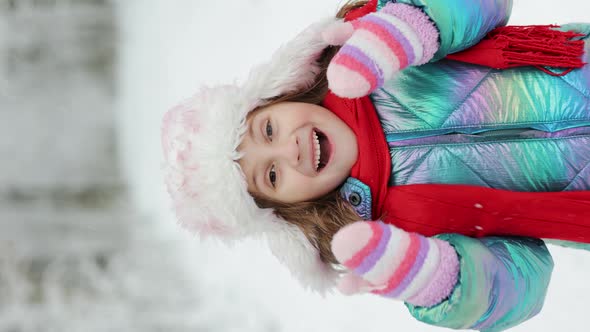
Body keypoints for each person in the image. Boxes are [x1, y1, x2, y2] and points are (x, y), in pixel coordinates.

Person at [161, 0, 590, 330]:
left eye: (268, 130)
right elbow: (526, 281)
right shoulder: (392, 238)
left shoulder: (363, 38)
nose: (288, 151)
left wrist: (411, 29)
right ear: (286, 209)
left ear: (278, 96)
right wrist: (442, 282)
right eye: (271, 176)